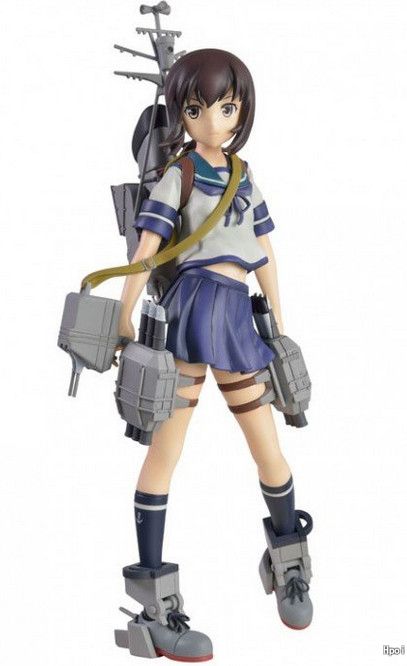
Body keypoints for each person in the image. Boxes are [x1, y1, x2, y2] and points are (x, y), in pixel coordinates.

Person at [117, 49, 313, 662]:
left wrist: (278, 318)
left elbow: (266, 249)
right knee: (165, 450)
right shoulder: (177, 176)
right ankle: (155, 605)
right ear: (181, 113)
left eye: (225, 108)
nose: (212, 121)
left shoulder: (244, 176)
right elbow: (147, 249)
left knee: (267, 445)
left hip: (236, 317)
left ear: (240, 110)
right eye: (196, 109)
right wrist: (124, 314)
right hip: (188, 313)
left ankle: (291, 560)